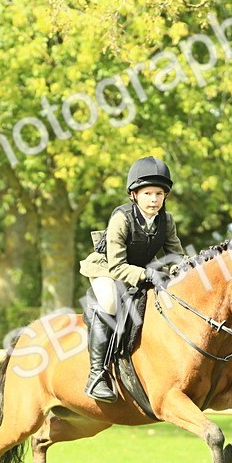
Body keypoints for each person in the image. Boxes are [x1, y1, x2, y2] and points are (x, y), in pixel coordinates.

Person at [78, 156, 185, 402]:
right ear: (134, 195)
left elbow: (175, 255)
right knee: (109, 303)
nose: (154, 199)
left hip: (139, 271)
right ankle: (96, 375)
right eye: (148, 193)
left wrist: (186, 270)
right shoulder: (121, 218)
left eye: (159, 194)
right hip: (107, 269)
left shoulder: (166, 221)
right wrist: (147, 273)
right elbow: (117, 265)